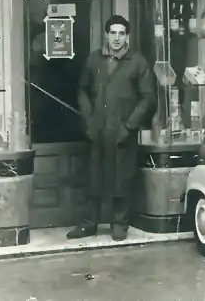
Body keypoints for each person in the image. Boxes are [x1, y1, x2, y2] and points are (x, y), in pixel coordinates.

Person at [67, 15, 156, 242]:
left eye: (121, 33)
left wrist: (130, 125)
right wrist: (88, 118)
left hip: (122, 132)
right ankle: (89, 224)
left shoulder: (138, 62)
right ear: (106, 34)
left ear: (127, 36)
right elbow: (82, 90)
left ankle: (119, 224)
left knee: (121, 178)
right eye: (113, 33)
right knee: (93, 178)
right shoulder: (94, 60)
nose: (116, 38)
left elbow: (147, 98)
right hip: (96, 130)